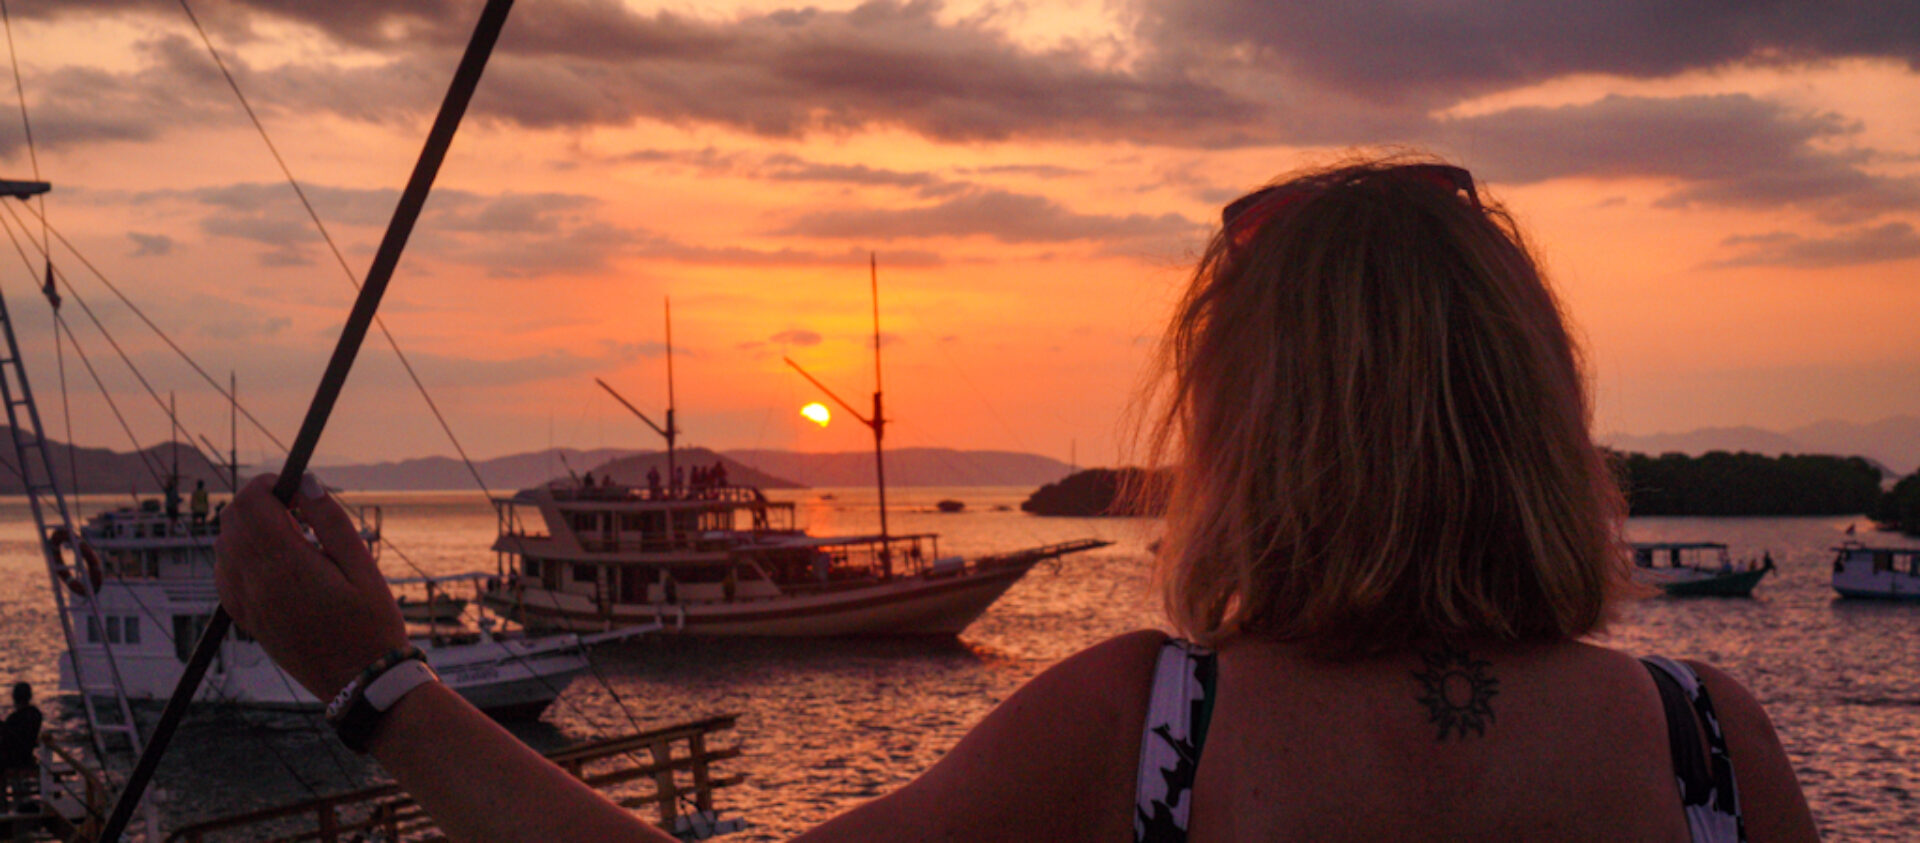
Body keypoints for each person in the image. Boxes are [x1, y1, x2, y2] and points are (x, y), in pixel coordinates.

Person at [213, 159, 1816, 842]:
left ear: (1250, 430)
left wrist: (377, 678)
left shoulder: (1152, 725)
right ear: (1533, 411)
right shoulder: (1711, 742)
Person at [0, 682, 42, 802]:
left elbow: (7, 742)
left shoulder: (14, 718)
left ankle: (2, 806)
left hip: (14, 759)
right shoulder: (36, 714)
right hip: (27, 757)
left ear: (14, 697)